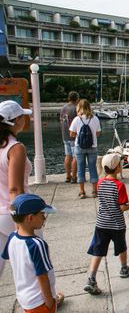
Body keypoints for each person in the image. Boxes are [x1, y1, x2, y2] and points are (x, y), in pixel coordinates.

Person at [83, 153, 129, 295]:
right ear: (118, 168)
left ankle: (91, 278)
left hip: (101, 223)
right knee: (121, 247)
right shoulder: (119, 186)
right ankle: (124, 268)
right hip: (117, 225)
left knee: (98, 251)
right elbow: (123, 207)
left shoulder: (100, 183)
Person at [1, 193, 64, 312]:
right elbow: (42, 276)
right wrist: (50, 301)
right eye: (42, 215)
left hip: (24, 298)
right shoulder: (37, 244)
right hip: (39, 301)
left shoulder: (12, 237)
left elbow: (8, 256)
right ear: (30, 218)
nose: (44, 218)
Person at [0, 100, 32, 277]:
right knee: (30, 262)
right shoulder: (15, 148)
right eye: (23, 117)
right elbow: (15, 188)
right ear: (16, 120)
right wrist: (23, 220)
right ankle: (41, 301)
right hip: (13, 212)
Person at [69, 99, 101, 199]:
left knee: (80, 168)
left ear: (79, 107)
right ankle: (94, 191)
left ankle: (82, 192)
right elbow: (98, 133)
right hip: (93, 146)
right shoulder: (95, 119)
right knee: (92, 168)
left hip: (79, 147)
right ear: (89, 107)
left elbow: (71, 134)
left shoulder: (77, 119)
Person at [59, 91, 79, 184]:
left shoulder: (63, 108)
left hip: (65, 135)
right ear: (77, 99)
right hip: (74, 136)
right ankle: (74, 177)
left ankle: (68, 176)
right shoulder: (75, 109)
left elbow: (61, 120)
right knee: (75, 157)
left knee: (68, 156)